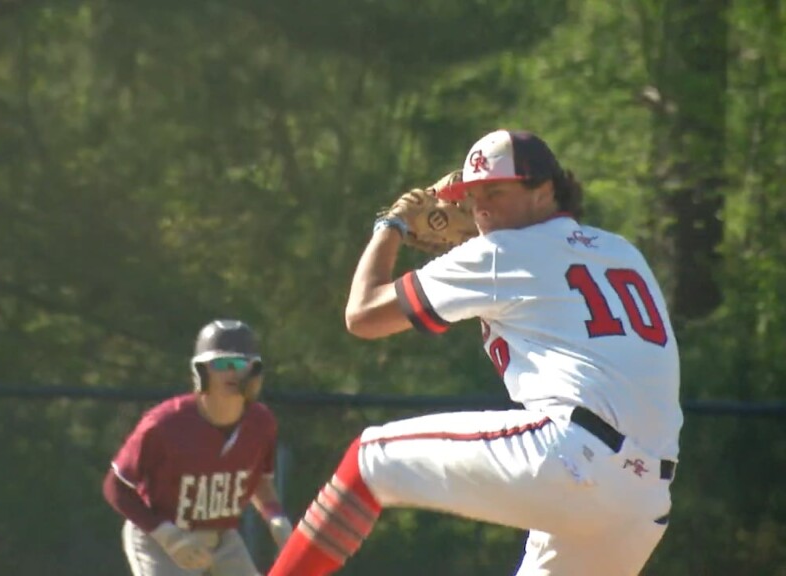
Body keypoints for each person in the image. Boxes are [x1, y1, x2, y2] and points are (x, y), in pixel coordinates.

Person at [268, 130, 682, 576]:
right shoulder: (622, 251)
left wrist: (391, 226)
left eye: (496, 191)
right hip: (643, 501)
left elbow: (363, 313)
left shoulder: (502, 251)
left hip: (571, 457)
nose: (480, 207)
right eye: (471, 194)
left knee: (370, 460)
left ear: (545, 191)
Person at [104, 319, 292, 576]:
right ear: (201, 372)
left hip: (222, 537)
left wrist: (275, 516)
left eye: (239, 364)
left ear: (255, 371)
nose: (231, 373)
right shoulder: (164, 423)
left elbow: (258, 478)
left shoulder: (261, 422)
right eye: (220, 364)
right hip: (160, 537)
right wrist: (167, 535)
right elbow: (115, 486)